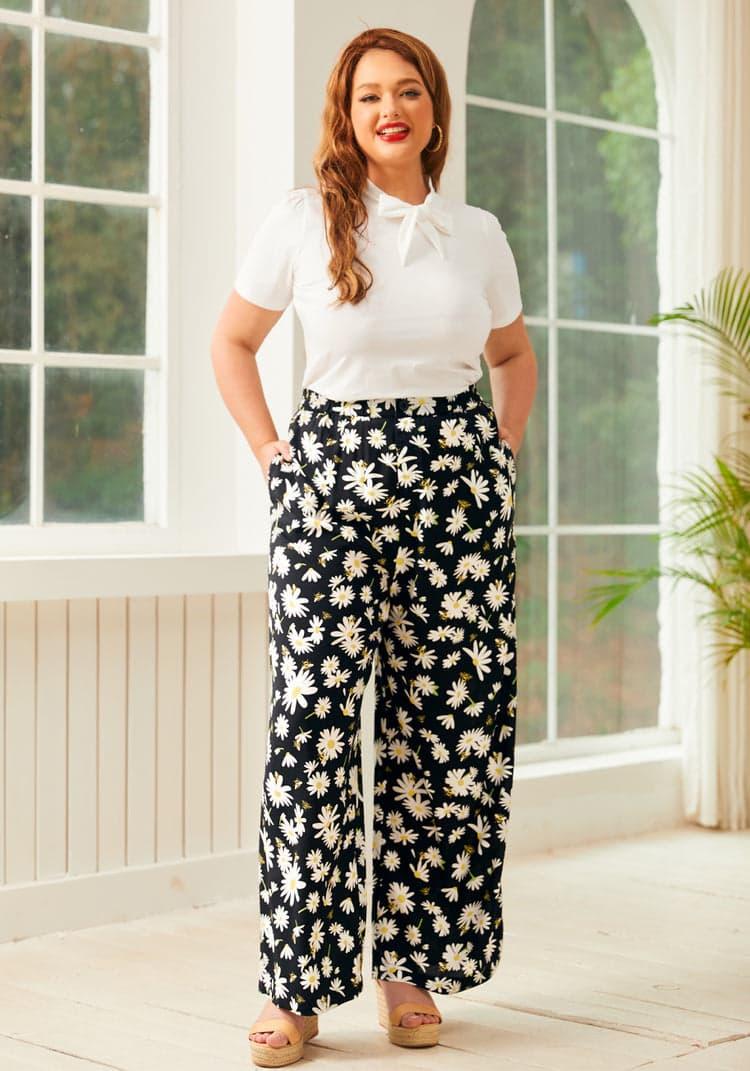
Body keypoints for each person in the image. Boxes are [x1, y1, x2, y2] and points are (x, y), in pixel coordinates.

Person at [211, 25, 537, 1069]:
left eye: (407, 92)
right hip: (329, 489)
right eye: (367, 97)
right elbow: (232, 342)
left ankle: (412, 968)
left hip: (456, 492)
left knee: (444, 731)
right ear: (345, 117)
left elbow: (512, 354)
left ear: (435, 110)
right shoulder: (303, 220)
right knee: (311, 727)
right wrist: (275, 458)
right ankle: (295, 988)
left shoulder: (477, 233)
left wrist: (499, 456)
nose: (388, 109)